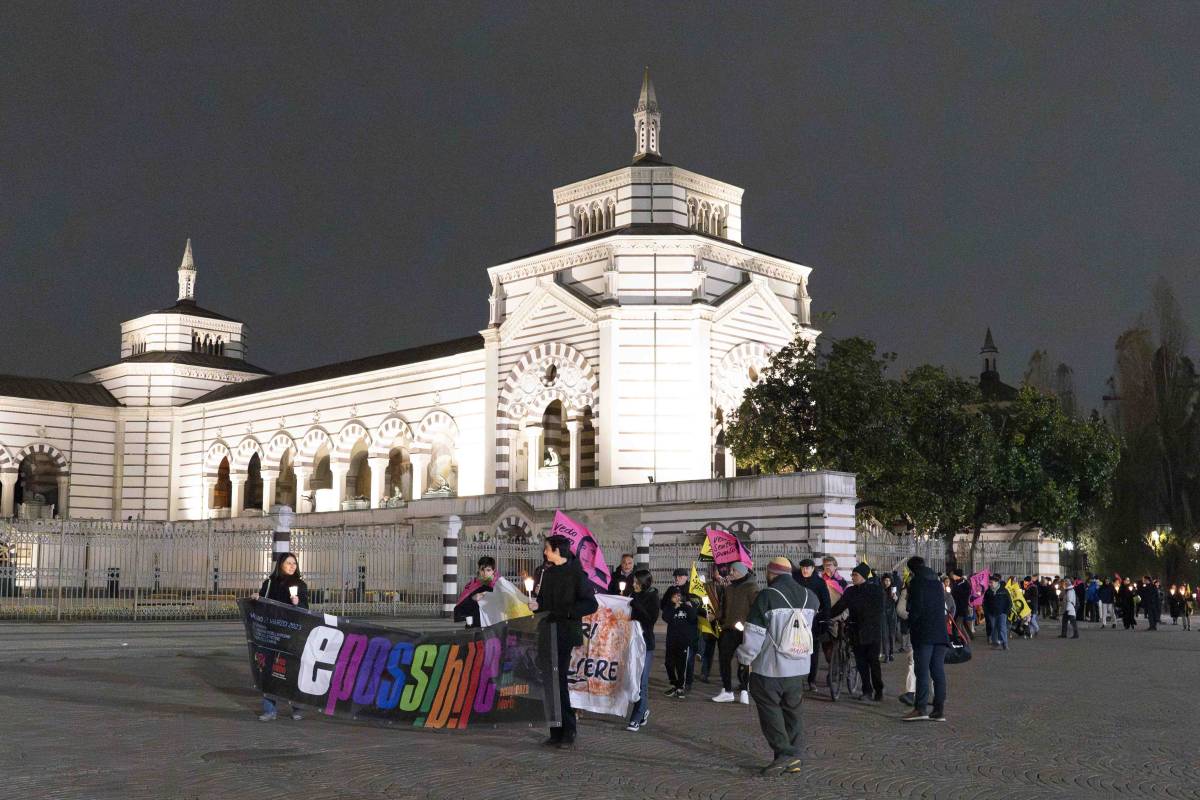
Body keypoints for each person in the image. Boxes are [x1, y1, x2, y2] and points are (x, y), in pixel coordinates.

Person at [736, 557, 819, 776]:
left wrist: (744, 659)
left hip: (769, 666)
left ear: (771, 574)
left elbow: (754, 634)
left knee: (769, 709)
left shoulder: (767, 596)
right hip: (799, 665)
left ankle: (785, 754)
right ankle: (795, 755)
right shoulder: (810, 596)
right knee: (793, 710)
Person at [530, 535, 598, 750]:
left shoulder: (577, 574)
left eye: (547, 549)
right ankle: (555, 731)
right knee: (548, 683)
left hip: (565, 633)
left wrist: (568, 612)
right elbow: (544, 603)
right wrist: (536, 605)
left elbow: (590, 604)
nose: (544, 552)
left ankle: (568, 731)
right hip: (547, 631)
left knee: (558, 681)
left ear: (558, 551)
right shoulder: (547, 573)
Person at [251, 552, 309, 722]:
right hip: (271, 633)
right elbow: (262, 606)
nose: (292, 566)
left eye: (294, 563)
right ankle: (270, 710)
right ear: (280, 565)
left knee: (292, 670)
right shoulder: (269, 583)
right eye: (288, 563)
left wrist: (298, 603)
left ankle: (297, 707)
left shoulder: (301, 585)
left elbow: (306, 610)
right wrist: (257, 598)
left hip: (291, 634)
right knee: (268, 670)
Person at [902, 556, 948, 722]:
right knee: (938, 672)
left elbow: (917, 608)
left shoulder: (917, 582)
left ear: (912, 569)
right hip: (940, 632)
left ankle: (920, 708)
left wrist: (909, 623)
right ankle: (939, 710)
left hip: (924, 633)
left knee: (921, 671)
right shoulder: (937, 582)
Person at [829, 563, 884, 702]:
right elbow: (840, 606)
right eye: (852, 575)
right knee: (861, 663)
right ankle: (867, 690)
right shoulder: (850, 591)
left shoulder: (875, 590)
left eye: (855, 575)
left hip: (871, 632)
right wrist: (826, 615)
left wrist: (866, 618)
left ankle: (879, 689)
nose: (852, 577)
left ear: (863, 576)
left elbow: (878, 610)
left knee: (873, 662)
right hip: (855, 631)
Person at [713, 561, 757, 704]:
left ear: (742, 572)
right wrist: (716, 616)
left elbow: (756, 609)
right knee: (724, 658)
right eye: (730, 570)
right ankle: (727, 690)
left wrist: (748, 625)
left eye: (734, 570)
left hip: (745, 630)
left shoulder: (752, 588)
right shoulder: (728, 588)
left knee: (744, 661)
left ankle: (744, 690)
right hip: (728, 629)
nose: (730, 573)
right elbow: (723, 606)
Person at [626, 569, 659, 731]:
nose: (633, 585)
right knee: (630, 678)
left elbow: (650, 619)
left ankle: (636, 717)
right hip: (631, 643)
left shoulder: (653, 596)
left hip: (645, 644)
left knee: (641, 680)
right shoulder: (632, 594)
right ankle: (644, 709)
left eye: (636, 582)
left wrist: (636, 605)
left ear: (644, 583)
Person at [791, 558, 831, 691]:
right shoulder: (794, 580)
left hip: (814, 622)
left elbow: (826, 603)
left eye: (807, 568)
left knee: (813, 651)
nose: (805, 570)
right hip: (796, 621)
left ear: (813, 569)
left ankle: (811, 680)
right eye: (803, 568)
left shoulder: (819, 583)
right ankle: (795, 678)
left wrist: (823, 619)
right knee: (794, 649)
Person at [661, 584, 698, 698]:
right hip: (671, 640)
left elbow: (693, 619)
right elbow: (666, 618)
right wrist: (674, 606)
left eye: (679, 596)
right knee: (669, 663)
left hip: (684, 641)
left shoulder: (686, 606)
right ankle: (674, 683)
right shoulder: (669, 607)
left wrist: (688, 607)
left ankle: (681, 687)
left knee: (682, 665)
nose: (677, 598)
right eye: (675, 596)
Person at [452, 556, 496, 628]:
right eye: (482, 570)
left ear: (493, 571)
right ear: (479, 570)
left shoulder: (498, 585)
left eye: (488, 570)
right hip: (475, 626)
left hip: (494, 627)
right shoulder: (472, 586)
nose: (485, 573)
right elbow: (461, 607)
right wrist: (472, 599)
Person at [982, 574, 1011, 651]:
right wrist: (986, 611)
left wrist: (1006, 612)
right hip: (991, 613)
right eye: (989, 582)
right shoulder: (988, 591)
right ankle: (995, 643)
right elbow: (985, 603)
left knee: (1002, 628)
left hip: (1002, 613)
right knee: (993, 628)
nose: (990, 584)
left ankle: (1005, 643)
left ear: (996, 582)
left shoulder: (1004, 591)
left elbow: (1009, 602)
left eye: (991, 582)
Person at [880, 574, 899, 663]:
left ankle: (891, 653)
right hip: (883, 614)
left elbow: (897, 600)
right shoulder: (880, 590)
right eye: (885, 580)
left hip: (892, 614)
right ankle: (886, 655)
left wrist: (895, 597)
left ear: (891, 582)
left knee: (891, 634)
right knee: (884, 634)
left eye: (888, 581)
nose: (886, 582)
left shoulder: (893, 590)